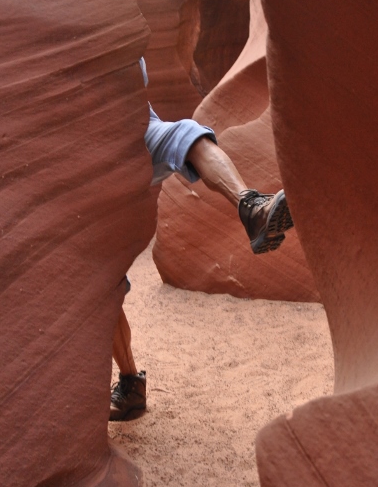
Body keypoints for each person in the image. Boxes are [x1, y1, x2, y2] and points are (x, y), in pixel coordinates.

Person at [109, 58, 294, 421]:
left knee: (188, 134)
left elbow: (139, 70)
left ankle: (252, 208)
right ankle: (131, 383)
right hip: (88, 149)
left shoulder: (102, 11)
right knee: (105, 285)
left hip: (134, 123)